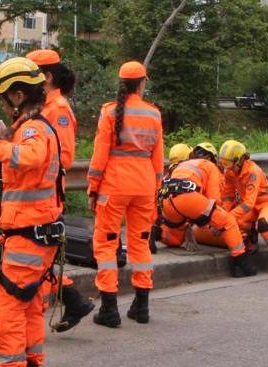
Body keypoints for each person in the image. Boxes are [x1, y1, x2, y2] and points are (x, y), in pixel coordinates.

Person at [0, 57, 63, 367]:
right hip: (33, 233)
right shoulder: (31, 127)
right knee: (28, 304)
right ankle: (32, 361)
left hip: (28, 237)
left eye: (4, 100)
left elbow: (29, 158)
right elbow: (25, 191)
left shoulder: (32, 130)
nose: (3, 107)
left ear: (18, 96)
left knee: (8, 308)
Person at [87, 61, 163, 328]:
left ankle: (109, 308)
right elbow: (158, 159)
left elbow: (99, 154)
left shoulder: (109, 112)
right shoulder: (154, 114)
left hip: (115, 185)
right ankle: (141, 306)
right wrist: (155, 190)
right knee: (140, 243)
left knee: (107, 244)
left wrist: (93, 187)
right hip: (144, 185)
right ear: (142, 83)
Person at [25, 49, 94, 333]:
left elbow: (63, 157)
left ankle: (32, 320)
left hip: (47, 195)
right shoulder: (42, 107)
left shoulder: (58, 109)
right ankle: (72, 301)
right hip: (35, 193)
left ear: (48, 76)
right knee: (40, 257)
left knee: (37, 257)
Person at [159, 143, 258, 278]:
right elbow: (214, 200)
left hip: (167, 201)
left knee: (176, 237)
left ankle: (159, 233)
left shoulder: (185, 166)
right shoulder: (212, 168)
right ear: (214, 159)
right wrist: (216, 221)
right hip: (187, 199)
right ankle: (241, 261)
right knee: (228, 222)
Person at [218, 139, 268, 274]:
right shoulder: (230, 172)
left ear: (239, 160)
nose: (227, 167)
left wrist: (228, 217)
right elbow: (228, 197)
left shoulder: (252, 172)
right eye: (224, 163)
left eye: (229, 163)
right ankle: (245, 255)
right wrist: (222, 214)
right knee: (235, 224)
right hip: (250, 206)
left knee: (264, 224)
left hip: (267, 204)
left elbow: (249, 203)